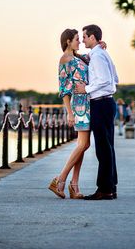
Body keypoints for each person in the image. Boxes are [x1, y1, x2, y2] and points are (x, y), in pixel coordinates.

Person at [74, 24, 119, 200]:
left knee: (103, 149)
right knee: (108, 147)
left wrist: (86, 88)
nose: (83, 39)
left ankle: (104, 190)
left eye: (84, 36)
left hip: (100, 104)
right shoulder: (101, 54)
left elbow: (106, 80)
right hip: (107, 103)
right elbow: (116, 78)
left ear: (92, 37)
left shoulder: (98, 56)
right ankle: (110, 188)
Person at [48, 28, 91, 199]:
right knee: (83, 145)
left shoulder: (80, 58)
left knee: (84, 145)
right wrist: (69, 113)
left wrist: (102, 45)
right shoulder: (65, 59)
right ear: (68, 41)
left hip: (89, 103)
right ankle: (60, 179)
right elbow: (64, 89)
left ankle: (74, 185)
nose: (79, 42)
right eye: (76, 39)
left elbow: (93, 57)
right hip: (79, 105)